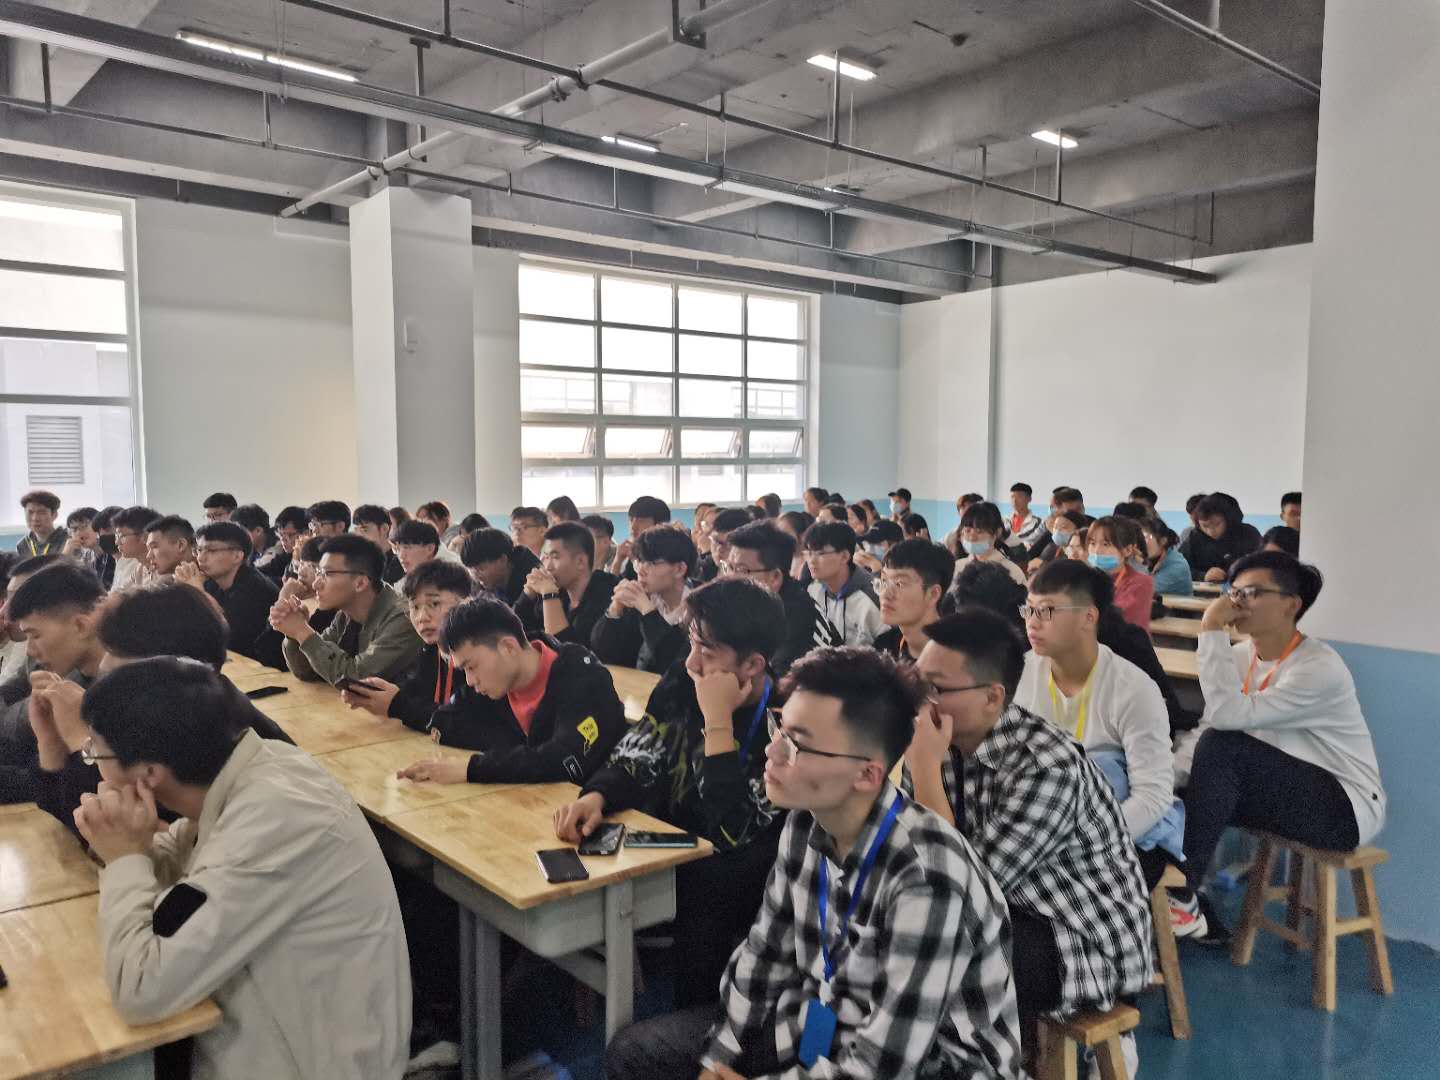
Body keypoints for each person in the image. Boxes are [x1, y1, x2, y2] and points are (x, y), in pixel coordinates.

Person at [613, 647, 1023, 1080]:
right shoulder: (805, 822)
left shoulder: (927, 877)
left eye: (797, 744)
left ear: (867, 774)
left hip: (933, 1066)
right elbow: (763, 956)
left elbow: (882, 1067)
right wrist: (718, 1060)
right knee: (635, 1055)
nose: (772, 752)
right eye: (778, 727)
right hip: (822, 1022)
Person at [73, 658, 411, 1079]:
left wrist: (125, 858)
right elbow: (179, 860)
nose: (93, 763)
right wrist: (125, 847)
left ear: (150, 773)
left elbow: (141, 989)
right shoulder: (254, 767)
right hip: (279, 1035)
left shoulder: (276, 815)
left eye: (94, 751)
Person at [905, 610, 1152, 1068]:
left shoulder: (1046, 767)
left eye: (936, 689)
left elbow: (964, 890)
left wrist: (922, 770)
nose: (921, 703)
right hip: (1007, 908)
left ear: (992, 697)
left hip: (1078, 937)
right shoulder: (944, 742)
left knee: (942, 959)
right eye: (918, 685)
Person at [554, 579, 787, 1010]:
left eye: (707, 652)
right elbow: (641, 747)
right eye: (692, 643)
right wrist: (597, 795)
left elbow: (732, 831)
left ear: (753, 664)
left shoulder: (783, 721)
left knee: (709, 883)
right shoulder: (683, 678)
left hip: (741, 869)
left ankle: (695, 1020)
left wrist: (717, 720)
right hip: (676, 838)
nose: (692, 661)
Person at [1170, 552, 1386, 946]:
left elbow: (1224, 718)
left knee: (1222, 747)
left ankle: (1182, 895)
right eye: (1233, 592)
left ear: (1291, 604)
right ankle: (1183, 904)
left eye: (1250, 593)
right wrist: (1165, 780)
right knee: (1180, 787)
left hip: (1343, 808)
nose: (1236, 603)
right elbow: (1207, 730)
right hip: (1282, 792)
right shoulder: (1240, 657)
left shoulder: (1318, 667)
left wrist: (1211, 627)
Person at [1015, 560, 1178, 891]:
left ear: (1089, 617)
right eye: (1028, 609)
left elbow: (1153, 796)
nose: (1032, 622)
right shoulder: (1020, 673)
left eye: (1047, 611)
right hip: (1038, 819)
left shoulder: (1134, 689)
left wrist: (1086, 841)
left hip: (1110, 827)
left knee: (1104, 768)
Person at [396, 596, 625, 785]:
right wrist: (512, 749)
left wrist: (473, 768)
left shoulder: (583, 677)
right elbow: (444, 720)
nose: (470, 681)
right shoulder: (497, 681)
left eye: (471, 667)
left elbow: (565, 759)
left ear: (508, 647)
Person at [0, 563, 107, 800]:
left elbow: (93, 798)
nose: (30, 650)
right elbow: (54, 795)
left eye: (35, 635)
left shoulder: (130, 692)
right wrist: (49, 745)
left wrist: (81, 741)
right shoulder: (72, 676)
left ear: (81, 625)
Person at [342, 560, 475, 731]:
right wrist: (377, 695)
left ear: (466, 603)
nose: (422, 617)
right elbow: (418, 693)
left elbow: (467, 723)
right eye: (415, 607)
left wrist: (397, 705)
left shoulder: (477, 655)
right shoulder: (432, 649)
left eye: (434, 604)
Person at [271, 534, 422, 685]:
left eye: (327, 574)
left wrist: (302, 632)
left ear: (360, 583)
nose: (316, 584)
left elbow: (357, 679)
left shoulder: (403, 618)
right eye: (318, 573)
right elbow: (308, 670)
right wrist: (294, 634)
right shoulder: (346, 613)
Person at [722, 520, 823, 677]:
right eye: (729, 568)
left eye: (742, 570)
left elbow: (779, 680)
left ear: (775, 577)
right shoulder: (749, 604)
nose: (730, 578)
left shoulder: (797, 615)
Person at [592, 525, 696, 673]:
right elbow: (602, 653)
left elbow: (675, 665)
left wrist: (648, 612)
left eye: (651, 563)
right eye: (639, 561)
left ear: (679, 569)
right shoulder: (641, 597)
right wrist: (615, 609)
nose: (640, 570)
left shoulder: (702, 607)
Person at [181, 521, 285, 670]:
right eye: (199, 550)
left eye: (211, 551)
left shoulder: (255, 589)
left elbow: (222, 637)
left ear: (237, 556)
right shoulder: (211, 583)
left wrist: (197, 591)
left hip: (260, 671)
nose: (201, 558)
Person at [514, 521, 617, 646]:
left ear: (580, 561)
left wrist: (550, 595)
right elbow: (512, 632)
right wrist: (527, 595)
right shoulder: (560, 590)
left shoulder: (607, 594)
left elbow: (566, 651)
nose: (548, 566)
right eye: (546, 557)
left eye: (555, 557)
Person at [802, 521, 884, 648]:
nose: (811, 561)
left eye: (821, 553)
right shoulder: (812, 589)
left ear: (845, 556)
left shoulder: (874, 596)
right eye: (809, 553)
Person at [875, 538, 954, 664]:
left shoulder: (958, 655)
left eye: (899, 584)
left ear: (933, 594)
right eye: (884, 581)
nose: (885, 594)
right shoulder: (884, 647)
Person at [1085, 515, 1155, 632]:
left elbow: (1119, 618)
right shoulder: (1084, 578)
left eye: (1106, 544)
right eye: (1092, 543)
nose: (1096, 551)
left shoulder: (1141, 583)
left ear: (1127, 550)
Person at [1179, 493, 1263, 583]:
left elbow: (1264, 565)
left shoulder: (1248, 533)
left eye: (1217, 524)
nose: (1211, 532)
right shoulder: (1194, 536)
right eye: (1205, 526)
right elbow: (1178, 567)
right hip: (1204, 590)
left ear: (1228, 519)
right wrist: (1202, 576)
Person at [954, 502, 1027, 587]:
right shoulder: (957, 567)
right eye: (967, 531)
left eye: (979, 531)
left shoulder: (1012, 572)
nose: (972, 538)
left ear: (997, 533)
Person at [461, 527, 540, 605]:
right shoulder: (478, 587)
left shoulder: (536, 582)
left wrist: (525, 598)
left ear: (503, 559)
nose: (476, 576)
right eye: (471, 569)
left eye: (481, 568)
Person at [610, 496, 671, 579]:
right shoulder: (636, 551)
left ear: (659, 525)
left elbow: (654, 583)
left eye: (641, 521)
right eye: (631, 520)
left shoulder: (668, 554)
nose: (633, 527)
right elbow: (615, 585)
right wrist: (617, 561)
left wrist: (634, 560)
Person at [232, 504, 288, 584]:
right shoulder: (251, 550)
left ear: (258, 531)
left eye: (241, 534)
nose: (236, 539)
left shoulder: (279, 547)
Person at [353, 503, 406, 585]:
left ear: (384, 528)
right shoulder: (361, 562)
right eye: (357, 530)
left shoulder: (401, 561)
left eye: (365, 530)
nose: (359, 535)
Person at [392, 520, 462, 580]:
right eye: (397, 549)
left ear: (430, 549)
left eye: (407, 547)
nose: (401, 556)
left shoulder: (453, 576)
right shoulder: (404, 579)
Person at [696, 507, 751, 583]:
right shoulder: (704, 568)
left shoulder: (756, 575)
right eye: (716, 541)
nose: (719, 549)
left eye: (728, 544)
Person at [1027, 510, 1088, 575]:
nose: (1057, 531)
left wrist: (1043, 565)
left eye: (1064, 527)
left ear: (1079, 530)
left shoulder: (1083, 554)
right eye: (1055, 526)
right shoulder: (1052, 549)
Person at [1143, 520, 1193, 596]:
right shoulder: (1153, 558)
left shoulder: (1177, 567)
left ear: (1163, 541)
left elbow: (1138, 590)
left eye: (1145, 538)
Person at [143, 514, 197, 584]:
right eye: (149, 549)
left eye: (154, 547)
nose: (148, 556)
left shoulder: (207, 582)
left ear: (181, 545)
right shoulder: (168, 581)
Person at [17, 490, 67, 557]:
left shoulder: (67, 541)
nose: (35, 518)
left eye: (41, 512)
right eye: (30, 512)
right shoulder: (23, 545)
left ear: (54, 515)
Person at [1005, 483, 1045, 553]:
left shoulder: (1038, 523)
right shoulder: (1004, 521)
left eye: (1019, 496)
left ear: (1029, 499)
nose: (1014, 500)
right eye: (1012, 497)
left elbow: (1030, 542)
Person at [776, 510, 815, 579]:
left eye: (785, 534)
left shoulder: (812, 564)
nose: (780, 539)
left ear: (802, 536)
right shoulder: (783, 561)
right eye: (778, 534)